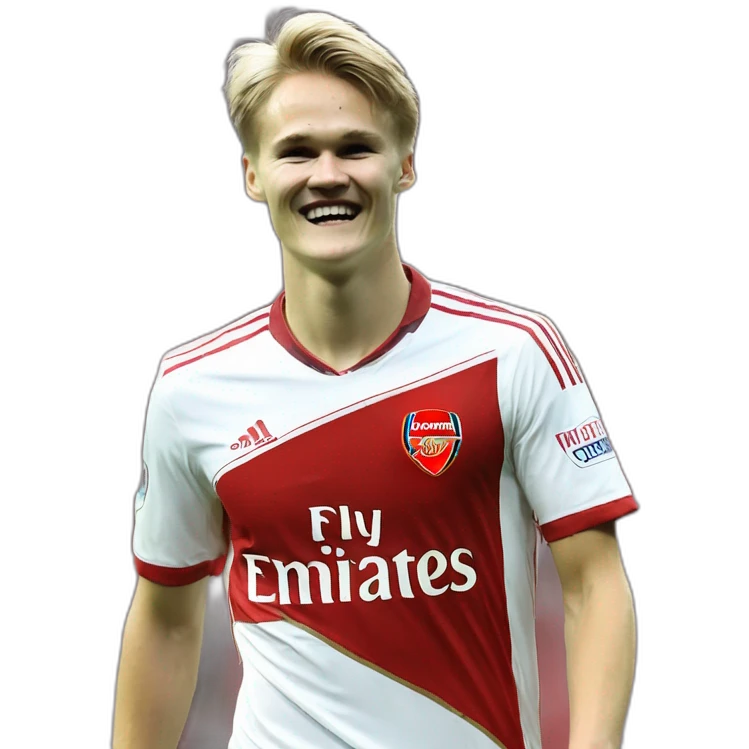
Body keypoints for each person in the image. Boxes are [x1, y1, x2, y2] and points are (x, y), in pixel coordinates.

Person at [113, 10, 639, 749]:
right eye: (297, 151)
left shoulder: (512, 351)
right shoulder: (191, 386)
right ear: (254, 175)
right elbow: (167, 620)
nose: (327, 175)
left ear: (405, 165)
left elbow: (592, 584)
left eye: (355, 147)